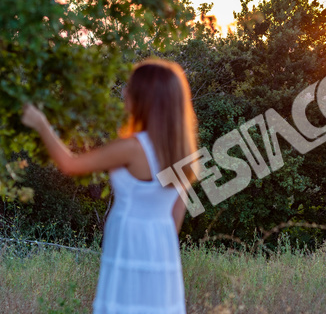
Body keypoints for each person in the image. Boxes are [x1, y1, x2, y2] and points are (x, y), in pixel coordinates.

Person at [21, 58, 198, 314]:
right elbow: (175, 218)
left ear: (144, 99)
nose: (125, 92)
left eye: (130, 87)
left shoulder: (132, 148)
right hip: (162, 249)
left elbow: (70, 164)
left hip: (129, 243)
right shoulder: (181, 153)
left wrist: (40, 123)